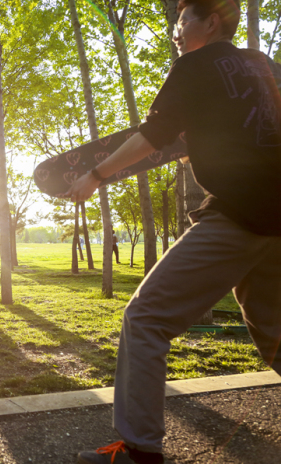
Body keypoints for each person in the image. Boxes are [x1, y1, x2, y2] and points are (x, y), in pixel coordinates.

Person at [67, 1, 281, 463]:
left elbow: (153, 135)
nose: (175, 30)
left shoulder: (193, 66)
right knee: (273, 332)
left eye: (183, 20)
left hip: (239, 216)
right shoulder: (264, 68)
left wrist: (96, 176)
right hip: (279, 221)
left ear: (210, 21)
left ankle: (140, 449)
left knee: (145, 318)